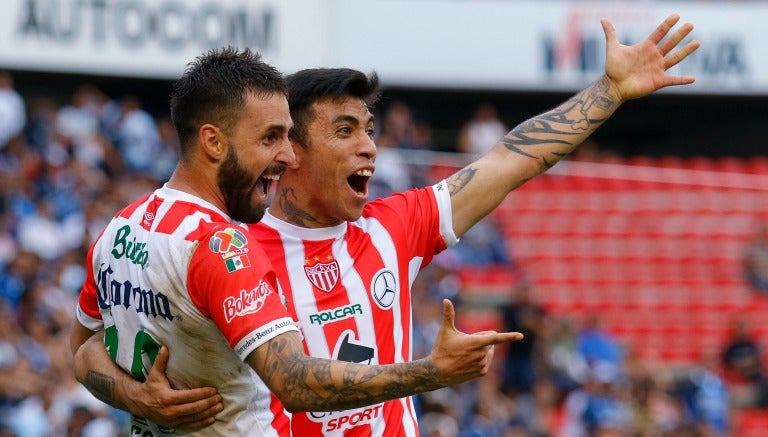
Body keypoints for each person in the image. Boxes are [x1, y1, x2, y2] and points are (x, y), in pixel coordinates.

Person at [77, 13, 700, 436]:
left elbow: (511, 159)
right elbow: (95, 353)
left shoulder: (392, 226)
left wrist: (608, 92)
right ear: (290, 150)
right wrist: (133, 395)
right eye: (344, 131)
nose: (369, 147)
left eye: (370, 129)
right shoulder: (230, 247)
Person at [69, 46, 523, 436]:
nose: (285, 156)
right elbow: (294, 381)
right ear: (213, 142)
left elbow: (83, 349)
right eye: (270, 138)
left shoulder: (121, 229)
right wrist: (432, 372)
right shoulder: (222, 246)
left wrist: (136, 396)